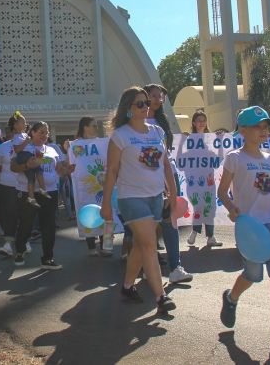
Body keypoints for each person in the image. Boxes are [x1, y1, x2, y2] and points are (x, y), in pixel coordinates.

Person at [216, 107, 270, 340]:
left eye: (266, 127)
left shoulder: (269, 159)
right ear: (243, 130)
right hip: (250, 228)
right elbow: (222, 191)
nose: (264, 131)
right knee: (252, 275)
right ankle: (231, 298)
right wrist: (232, 209)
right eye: (257, 127)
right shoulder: (234, 158)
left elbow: (268, 191)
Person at [101, 87, 177, 313]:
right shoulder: (120, 135)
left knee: (140, 246)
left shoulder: (157, 131)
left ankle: (127, 286)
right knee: (150, 244)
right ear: (128, 108)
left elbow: (165, 165)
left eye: (146, 102)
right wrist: (106, 204)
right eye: (140, 104)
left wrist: (172, 194)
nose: (146, 107)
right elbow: (112, 171)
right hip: (131, 197)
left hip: (155, 196)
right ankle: (161, 298)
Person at [144, 83, 193, 284]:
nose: (158, 98)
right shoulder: (134, 124)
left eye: (160, 96)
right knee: (149, 223)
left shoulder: (162, 121)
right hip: (148, 178)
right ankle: (148, 265)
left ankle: (175, 267)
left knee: (170, 220)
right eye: (153, 95)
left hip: (168, 173)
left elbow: (166, 152)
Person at [10, 121, 69, 269]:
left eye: (46, 132)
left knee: (49, 226)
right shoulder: (25, 148)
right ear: (33, 133)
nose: (45, 135)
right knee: (26, 224)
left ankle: (47, 259)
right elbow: (13, 167)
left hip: (50, 192)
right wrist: (26, 166)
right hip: (27, 192)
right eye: (41, 132)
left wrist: (68, 171)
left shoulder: (52, 150)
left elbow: (59, 171)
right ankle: (20, 251)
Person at [71, 116, 112, 257]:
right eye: (94, 126)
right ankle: (91, 247)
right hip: (86, 187)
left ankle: (106, 246)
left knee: (106, 213)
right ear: (85, 127)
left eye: (96, 126)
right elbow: (70, 163)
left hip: (102, 185)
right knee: (88, 213)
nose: (96, 128)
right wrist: (67, 150)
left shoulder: (102, 143)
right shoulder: (76, 144)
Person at [185, 110, 223, 248]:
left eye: (204, 120)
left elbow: (218, 160)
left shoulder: (211, 139)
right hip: (195, 179)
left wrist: (219, 141)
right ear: (194, 123)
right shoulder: (189, 139)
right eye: (199, 120)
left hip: (208, 178)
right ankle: (195, 232)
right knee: (197, 206)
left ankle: (210, 236)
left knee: (209, 206)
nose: (202, 123)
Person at [10, 111, 46, 208]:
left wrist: (37, 152)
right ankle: (42, 189)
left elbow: (30, 146)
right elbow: (17, 150)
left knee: (31, 177)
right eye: (22, 123)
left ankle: (32, 197)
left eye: (25, 122)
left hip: (29, 153)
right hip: (23, 156)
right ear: (16, 126)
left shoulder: (25, 135)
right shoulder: (16, 137)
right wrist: (26, 142)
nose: (25, 125)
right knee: (38, 169)